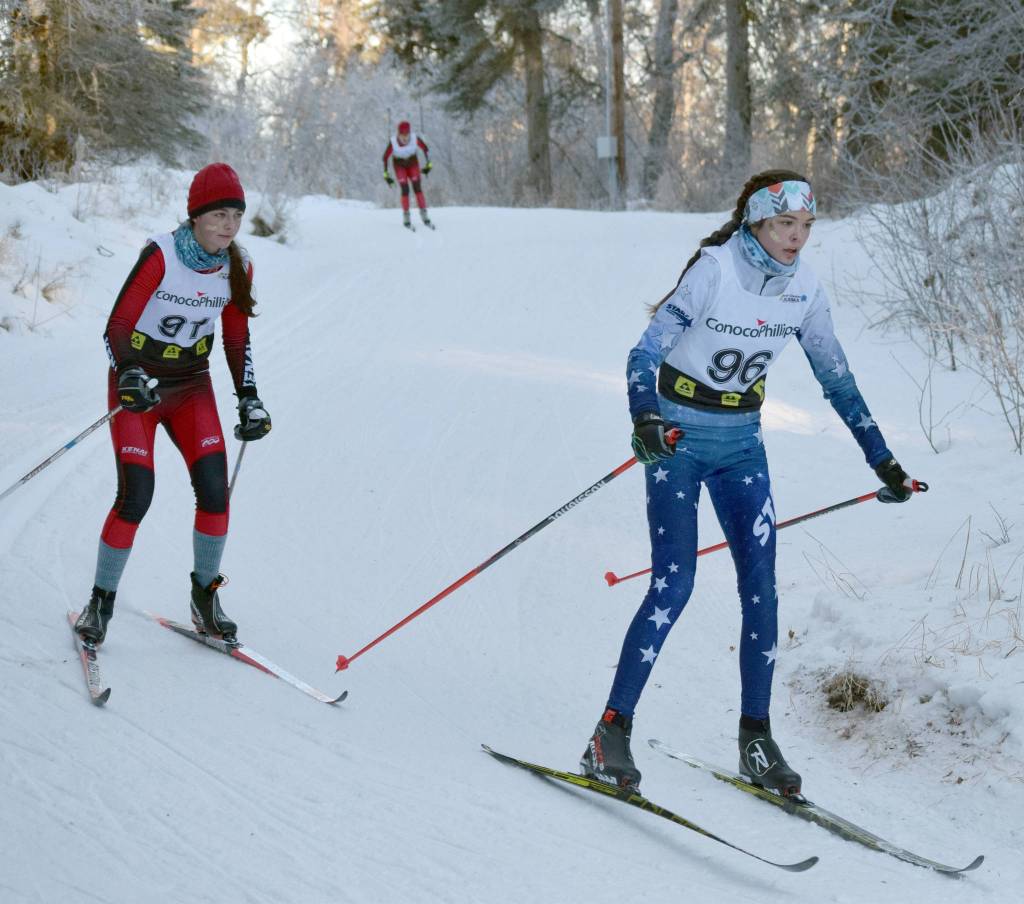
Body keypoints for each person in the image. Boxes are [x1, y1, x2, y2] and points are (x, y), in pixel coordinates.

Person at [580, 170, 920, 798]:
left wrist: (884, 462)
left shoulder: (805, 289)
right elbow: (643, 354)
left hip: (741, 444)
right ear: (757, 222)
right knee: (674, 584)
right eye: (786, 224)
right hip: (678, 437)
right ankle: (610, 732)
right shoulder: (714, 271)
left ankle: (756, 740)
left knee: (761, 591)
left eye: (807, 226)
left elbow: (838, 381)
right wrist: (645, 419)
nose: (797, 237)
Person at [74, 162, 271, 648]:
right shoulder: (162, 255)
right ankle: (100, 602)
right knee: (136, 494)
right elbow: (117, 326)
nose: (229, 225)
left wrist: (249, 398)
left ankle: (205, 597)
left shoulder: (238, 266)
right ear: (196, 216)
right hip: (140, 382)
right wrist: (128, 372)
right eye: (219, 215)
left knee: (216, 492)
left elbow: (236, 340)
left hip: (191, 384)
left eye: (237, 216)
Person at [382, 120, 434, 230]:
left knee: (417, 188)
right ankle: (406, 216)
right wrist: (386, 173)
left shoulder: (414, 138)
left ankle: (424, 214)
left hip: (412, 163)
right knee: (405, 189)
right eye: (402, 134)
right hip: (399, 165)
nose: (405, 137)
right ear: (398, 134)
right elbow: (385, 157)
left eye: (407, 134)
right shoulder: (393, 142)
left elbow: (425, 149)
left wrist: (429, 164)